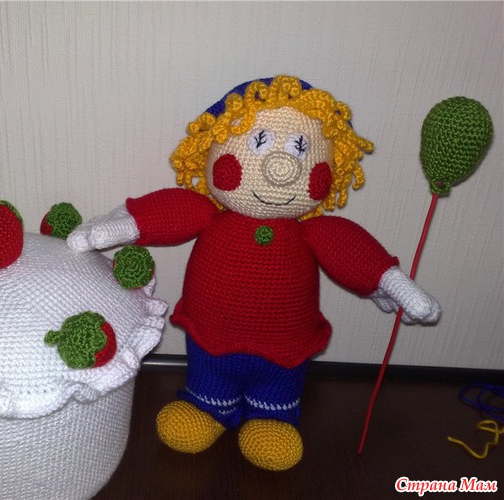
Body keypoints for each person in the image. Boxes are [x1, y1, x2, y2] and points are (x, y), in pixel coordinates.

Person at [68, 75, 440, 470]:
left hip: (285, 352)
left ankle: (271, 418)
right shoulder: (207, 214)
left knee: (276, 402)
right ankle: (208, 406)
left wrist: (393, 284)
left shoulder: (315, 232)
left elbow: (352, 252)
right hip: (212, 341)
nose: (282, 169)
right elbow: (165, 213)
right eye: (259, 142)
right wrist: (111, 228)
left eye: (300, 149)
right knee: (205, 390)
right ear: (211, 151)